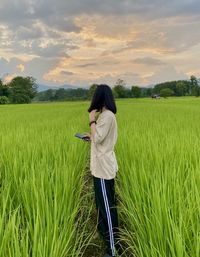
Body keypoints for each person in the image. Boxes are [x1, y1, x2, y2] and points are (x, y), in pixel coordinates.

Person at [84, 84, 121, 257]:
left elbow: (99, 138)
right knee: (104, 206)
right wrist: (90, 136)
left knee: (106, 208)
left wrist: (92, 119)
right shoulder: (107, 116)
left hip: (103, 170)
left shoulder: (106, 116)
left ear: (99, 98)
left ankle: (113, 250)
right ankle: (109, 241)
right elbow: (99, 137)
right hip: (101, 168)